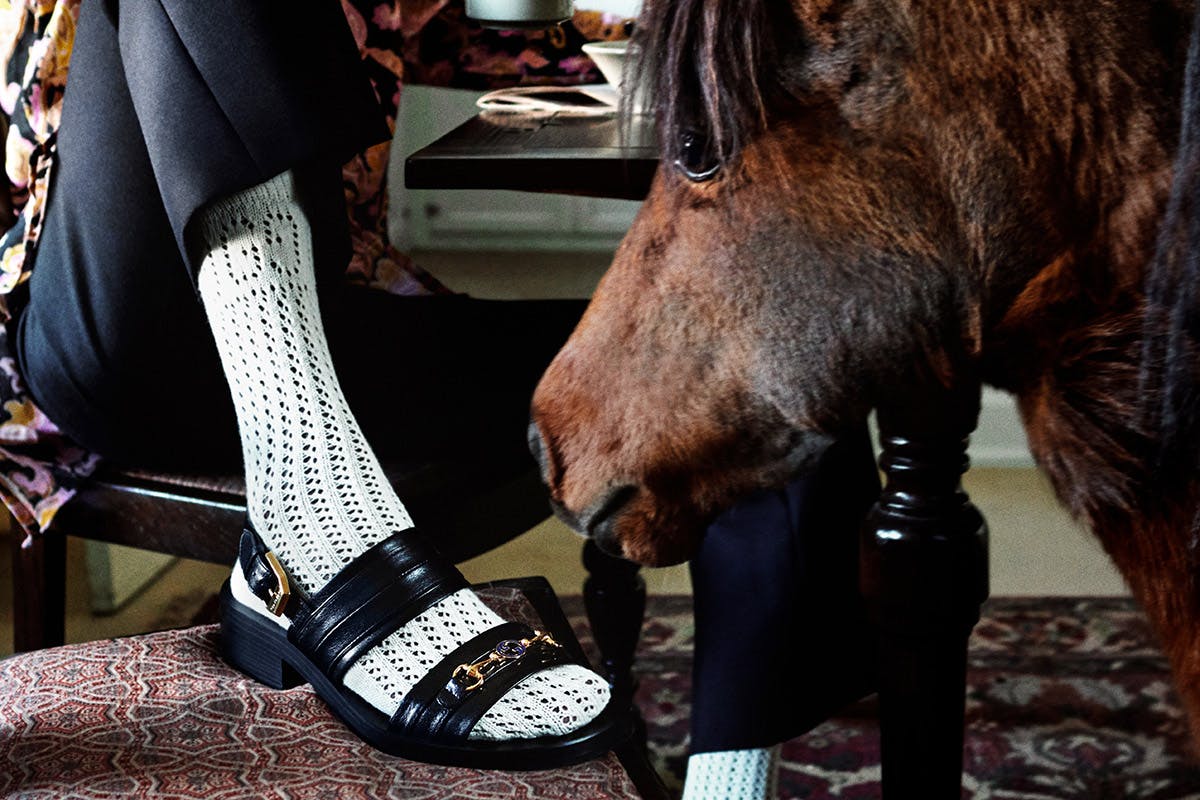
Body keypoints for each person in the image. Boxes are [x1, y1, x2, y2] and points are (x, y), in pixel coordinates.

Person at [0, 0, 879, 792]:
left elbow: (569, 43)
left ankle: (729, 782)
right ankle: (312, 520)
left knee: (736, 356)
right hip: (108, 342)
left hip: (331, 329)